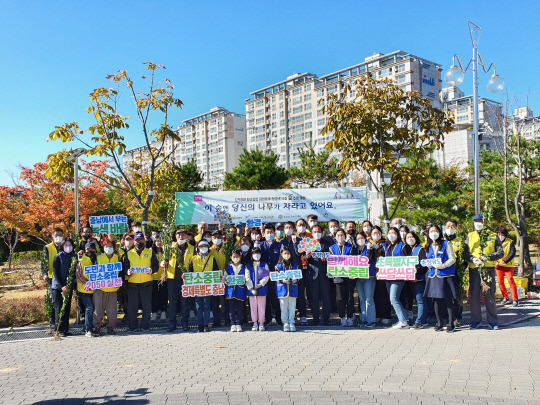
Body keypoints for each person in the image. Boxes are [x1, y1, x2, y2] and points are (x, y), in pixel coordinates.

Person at [464, 213, 500, 330]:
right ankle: (476, 320)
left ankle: (493, 321)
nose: (478, 223)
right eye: (476, 221)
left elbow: (500, 252)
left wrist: (488, 257)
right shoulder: (470, 236)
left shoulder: (493, 236)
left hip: (487, 269)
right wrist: (472, 259)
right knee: (474, 297)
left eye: (480, 221)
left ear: (486, 222)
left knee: (489, 295)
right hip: (474, 269)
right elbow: (465, 253)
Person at [122, 232, 159, 332]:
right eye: (137, 240)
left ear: (144, 240)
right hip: (133, 283)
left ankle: (145, 326)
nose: (139, 242)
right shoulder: (129, 253)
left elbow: (156, 266)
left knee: (146, 307)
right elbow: (124, 267)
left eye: (141, 240)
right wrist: (127, 272)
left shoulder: (150, 252)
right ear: (134, 242)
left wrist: (152, 270)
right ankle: (133, 326)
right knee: (132, 307)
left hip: (147, 283)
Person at [424, 225, 457, 332]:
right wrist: (428, 264)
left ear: (439, 232)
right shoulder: (428, 246)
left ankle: (450, 323)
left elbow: (452, 258)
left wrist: (443, 265)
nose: (433, 233)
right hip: (433, 275)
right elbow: (427, 259)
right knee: (436, 300)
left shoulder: (446, 243)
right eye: (431, 231)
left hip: (445, 275)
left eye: (435, 231)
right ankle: (439, 322)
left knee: (448, 299)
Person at [164, 230, 194, 332]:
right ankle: (172, 323)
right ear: (176, 237)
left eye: (183, 235)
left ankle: (185, 323)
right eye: (179, 235)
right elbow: (165, 260)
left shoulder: (192, 248)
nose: (181, 237)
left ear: (187, 237)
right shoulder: (169, 247)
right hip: (172, 278)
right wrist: (163, 263)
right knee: (172, 302)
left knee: (185, 302)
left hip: (185, 279)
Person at [93, 239, 123, 336]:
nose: (108, 248)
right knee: (98, 309)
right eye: (106, 246)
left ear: (114, 248)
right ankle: (97, 327)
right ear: (103, 248)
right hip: (100, 288)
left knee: (112, 310)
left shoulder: (117, 258)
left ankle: (111, 327)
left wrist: (120, 281)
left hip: (113, 288)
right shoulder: (99, 258)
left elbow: (121, 272)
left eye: (110, 246)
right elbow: (94, 271)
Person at [304, 224, 332, 326]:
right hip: (312, 274)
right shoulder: (308, 243)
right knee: (314, 298)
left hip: (325, 274)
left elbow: (333, 256)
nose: (317, 233)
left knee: (326, 298)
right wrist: (307, 256)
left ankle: (326, 319)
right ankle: (315, 319)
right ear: (311, 233)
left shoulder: (328, 243)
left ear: (322, 232)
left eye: (318, 231)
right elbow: (302, 257)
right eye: (315, 232)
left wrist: (327, 259)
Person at [188, 240, 219, 332]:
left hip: (208, 286)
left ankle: (206, 324)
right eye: (201, 246)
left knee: (206, 306)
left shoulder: (212, 258)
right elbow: (190, 271)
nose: (203, 248)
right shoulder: (193, 259)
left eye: (205, 246)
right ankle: (199, 324)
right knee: (198, 306)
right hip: (197, 286)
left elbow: (216, 272)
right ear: (198, 248)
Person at [330, 228, 357, 327]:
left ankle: (350, 317)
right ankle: (342, 318)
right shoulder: (331, 248)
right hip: (338, 277)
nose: (340, 237)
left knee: (350, 297)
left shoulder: (351, 246)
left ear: (345, 237)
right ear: (335, 237)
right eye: (338, 235)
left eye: (342, 235)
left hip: (350, 276)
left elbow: (354, 260)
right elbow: (331, 262)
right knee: (341, 298)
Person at [383, 227, 409, 329]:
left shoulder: (402, 246)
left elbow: (406, 261)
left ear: (397, 234)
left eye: (394, 233)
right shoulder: (388, 247)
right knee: (393, 299)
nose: (391, 235)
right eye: (390, 233)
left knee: (393, 299)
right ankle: (403, 319)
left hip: (398, 277)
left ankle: (403, 321)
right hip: (388, 277)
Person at [41, 227, 64, 334]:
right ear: (52, 237)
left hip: (63, 277)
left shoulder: (65, 246)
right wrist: (44, 274)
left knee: (63, 301)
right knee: (53, 300)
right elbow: (44, 262)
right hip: (52, 277)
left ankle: (62, 322)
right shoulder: (47, 247)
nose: (58, 237)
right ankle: (53, 322)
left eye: (60, 235)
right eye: (56, 235)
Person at [403, 231, 428, 329]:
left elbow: (424, 264)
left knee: (420, 300)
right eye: (407, 237)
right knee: (418, 300)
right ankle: (423, 320)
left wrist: (416, 276)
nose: (410, 239)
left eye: (411, 236)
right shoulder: (408, 249)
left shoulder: (420, 249)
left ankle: (419, 322)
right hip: (410, 279)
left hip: (418, 279)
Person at [51, 238, 76, 336]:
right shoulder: (58, 256)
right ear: (62, 246)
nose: (68, 247)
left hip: (68, 287)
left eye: (70, 245)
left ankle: (65, 329)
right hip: (58, 287)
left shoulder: (74, 257)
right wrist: (62, 285)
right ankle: (59, 330)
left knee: (67, 308)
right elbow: (55, 272)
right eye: (66, 245)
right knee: (59, 308)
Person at [443, 219, 464, 326]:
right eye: (448, 226)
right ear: (444, 227)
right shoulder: (440, 240)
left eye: (453, 226)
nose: (450, 228)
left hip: (455, 273)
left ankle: (457, 317)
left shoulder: (459, 241)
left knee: (456, 296)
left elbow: (463, 258)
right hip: (442, 273)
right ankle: (446, 317)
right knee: (444, 296)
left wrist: (461, 269)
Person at [261, 224, 283, 326]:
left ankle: (279, 318)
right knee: (266, 297)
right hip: (263, 274)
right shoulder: (260, 246)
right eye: (267, 233)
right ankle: (268, 318)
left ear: (274, 233)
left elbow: (282, 259)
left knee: (276, 297)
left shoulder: (279, 245)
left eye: (271, 232)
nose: (269, 234)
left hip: (276, 274)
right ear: (264, 234)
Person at [76, 242, 98, 337]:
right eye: (88, 250)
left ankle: (86, 327)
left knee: (91, 309)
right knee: (89, 308)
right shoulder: (81, 260)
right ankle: (88, 329)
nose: (90, 252)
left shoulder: (97, 260)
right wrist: (89, 283)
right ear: (85, 250)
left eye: (92, 250)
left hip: (94, 289)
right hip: (83, 289)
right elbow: (79, 276)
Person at [370, 226, 391, 325]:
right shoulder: (368, 244)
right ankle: (378, 315)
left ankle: (386, 315)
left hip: (383, 272)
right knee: (375, 295)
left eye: (378, 232)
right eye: (374, 233)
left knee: (384, 295)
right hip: (372, 273)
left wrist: (381, 249)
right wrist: (370, 249)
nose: (376, 235)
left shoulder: (385, 244)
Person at [275, 247, 300, 332]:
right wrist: (283, 280)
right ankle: (285, 322)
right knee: (283, 307)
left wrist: (295, 279)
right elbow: (276, 277)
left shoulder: (295, 266)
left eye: (288, 253)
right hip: (283, 290)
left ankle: (292, 322)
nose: (286, 255)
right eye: (284, 253)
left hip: (292, 289)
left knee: (292, 307)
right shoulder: (278, 267)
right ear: (281, 255)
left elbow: (298, 276)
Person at [246, 247, 270, 331]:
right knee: (253, 307)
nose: (256, 255)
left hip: (262, 289)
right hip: (251, 290)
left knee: (261, 307)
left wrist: (260, 284)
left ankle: (261, 322)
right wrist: (251, 287)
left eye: (258, 253)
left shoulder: (264, 264)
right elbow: (247, 277)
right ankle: (254, 322)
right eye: (254, 253)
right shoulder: (248, 265)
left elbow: (267, 276)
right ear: (252, 255)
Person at [355, 231, 376, 327]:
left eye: (362, 238)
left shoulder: (369, 247)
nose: (360, 240)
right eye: (358, 238)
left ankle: (371, 320)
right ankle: (364, 319)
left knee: (369, 299)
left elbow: (370, 259)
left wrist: (370, 249)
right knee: (362, 299)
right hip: (358, 277)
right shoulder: (354, 249)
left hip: (369, 276)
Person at [223, 248, 247, 332]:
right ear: (231, 258)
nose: (235, 258)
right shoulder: (228, 268)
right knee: (231, 308)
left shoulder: (244, 267)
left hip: (240, 291)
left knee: (240, 308)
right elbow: (224, 278)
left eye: (237, 256)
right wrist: (225, 280)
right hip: (231, 291)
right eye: (234, 257)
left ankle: (239, 323)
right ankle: (233, 323)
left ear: (240, 257)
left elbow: (247, 278)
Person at [493, 226, 518, 306]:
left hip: (508, 265)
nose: (500, 236)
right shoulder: (495, 243)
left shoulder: (510, 242)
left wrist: (504, 261)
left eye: (502, 234)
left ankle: (515, 299)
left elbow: (512, 253)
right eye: (498, 234)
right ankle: (505, 297)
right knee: (500, 282)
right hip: (498, 265)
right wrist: (496, 261)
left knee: (510, 280)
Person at [209, 230, 226, 327]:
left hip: (225, 278)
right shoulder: (209, 250)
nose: (217, 239)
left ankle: (227, 320)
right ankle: (216, 321)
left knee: (226, 301)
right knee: (215, 302)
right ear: (212, 239)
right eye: (215, 237)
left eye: (219, 237)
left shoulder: (226, 249)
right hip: (213, 280)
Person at [151, 236, 167, 322]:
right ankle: (154, 312)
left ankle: (164, 312)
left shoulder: (166, 252)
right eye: (157, 241)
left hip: (163, 277)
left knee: (163, 295)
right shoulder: (150, 252)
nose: (159, 242)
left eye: (161, 241)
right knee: (154, 296)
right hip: (153, 277)